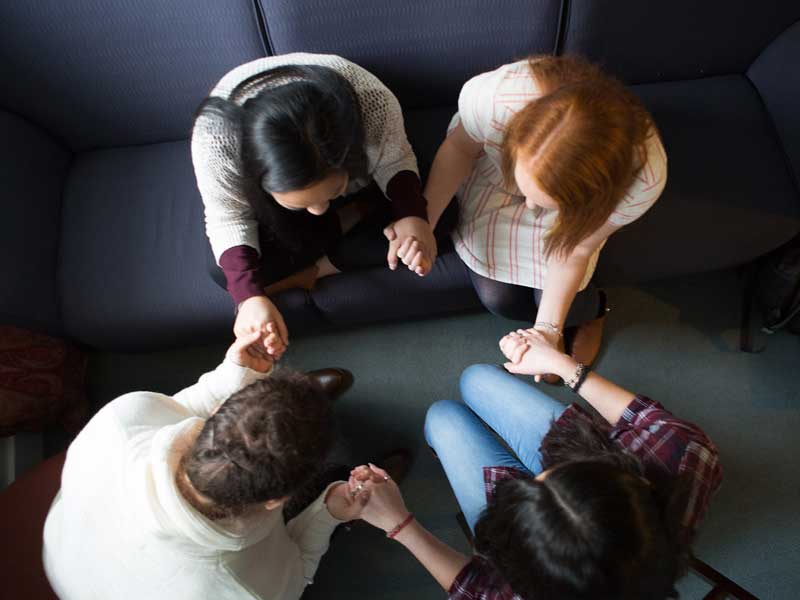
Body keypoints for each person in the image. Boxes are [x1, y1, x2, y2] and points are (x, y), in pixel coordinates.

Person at [350, 331, 721, 600]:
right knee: (476, 379)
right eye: (557, 474)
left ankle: (444, 441)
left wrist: (400, 524)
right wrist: (561, 364)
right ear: (631, 482)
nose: (537, 472)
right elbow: (648, 420)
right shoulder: (684, 454)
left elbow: (474, 589)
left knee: (442, 417)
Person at [42, 331, 364, 600]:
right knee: (330, 493)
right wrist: (329, 513)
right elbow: (299, 570)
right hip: (94, 577)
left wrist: (234, 373)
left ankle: (290, 417)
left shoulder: (122, 420)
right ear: (276, 501)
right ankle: (339, 497)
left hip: (68, 549)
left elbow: (179, 408)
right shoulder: (244, 589)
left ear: (219, 412)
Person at [422, 55, 668, 380]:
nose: (529, 207)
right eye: (529, 194)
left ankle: (593, 312)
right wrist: (424, 220)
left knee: (563, 300)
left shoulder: (643, 180)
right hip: (494, 173)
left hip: (578, 222)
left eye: (541, 202)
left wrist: (548, 331)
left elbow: (576, 249)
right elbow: (460, 149)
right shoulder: (496, 98)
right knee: (499, 297)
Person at [192, 53, 444, 360]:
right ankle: (347, 223)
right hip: (276, 214)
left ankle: (317, 267)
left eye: (329, 192)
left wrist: (413, 217)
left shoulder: (371, 100)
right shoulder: (216, 140)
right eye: (305, 202)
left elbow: (395, 160)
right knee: (224, 270)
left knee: (442, 216)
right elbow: (228, 216)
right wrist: (248, 299)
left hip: (362, 185)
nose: (320, 209)